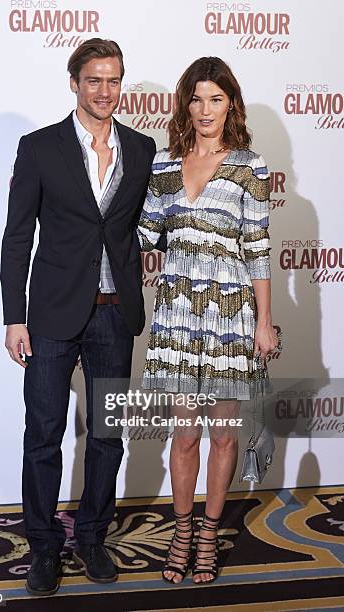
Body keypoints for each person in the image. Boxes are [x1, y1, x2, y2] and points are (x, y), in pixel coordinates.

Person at [0, 38, 157, 596]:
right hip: (49, 314)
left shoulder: (142, 149)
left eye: (113, 80)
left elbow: (145, 225)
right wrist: (14, 317)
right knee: (43, 432)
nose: (104, 91)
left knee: (108, 435)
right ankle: (43, 548)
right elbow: (18, 237)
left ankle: (91, 536)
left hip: (115, 315)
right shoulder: (39, 147)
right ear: (74, 82)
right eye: (94, 80)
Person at [137, 57, 279, 585]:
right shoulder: (163, 167)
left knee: (222, 436)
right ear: (185, 105)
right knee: (185, 436)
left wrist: (265, 322)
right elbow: (143, 237)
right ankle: (180, 529)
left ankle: (208, 532)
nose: (204, 109)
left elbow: (259, 249)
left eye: (215, 99)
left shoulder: (250, 167)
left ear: (230, 106)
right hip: (176, 321)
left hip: (230, 323)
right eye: (196, 99)